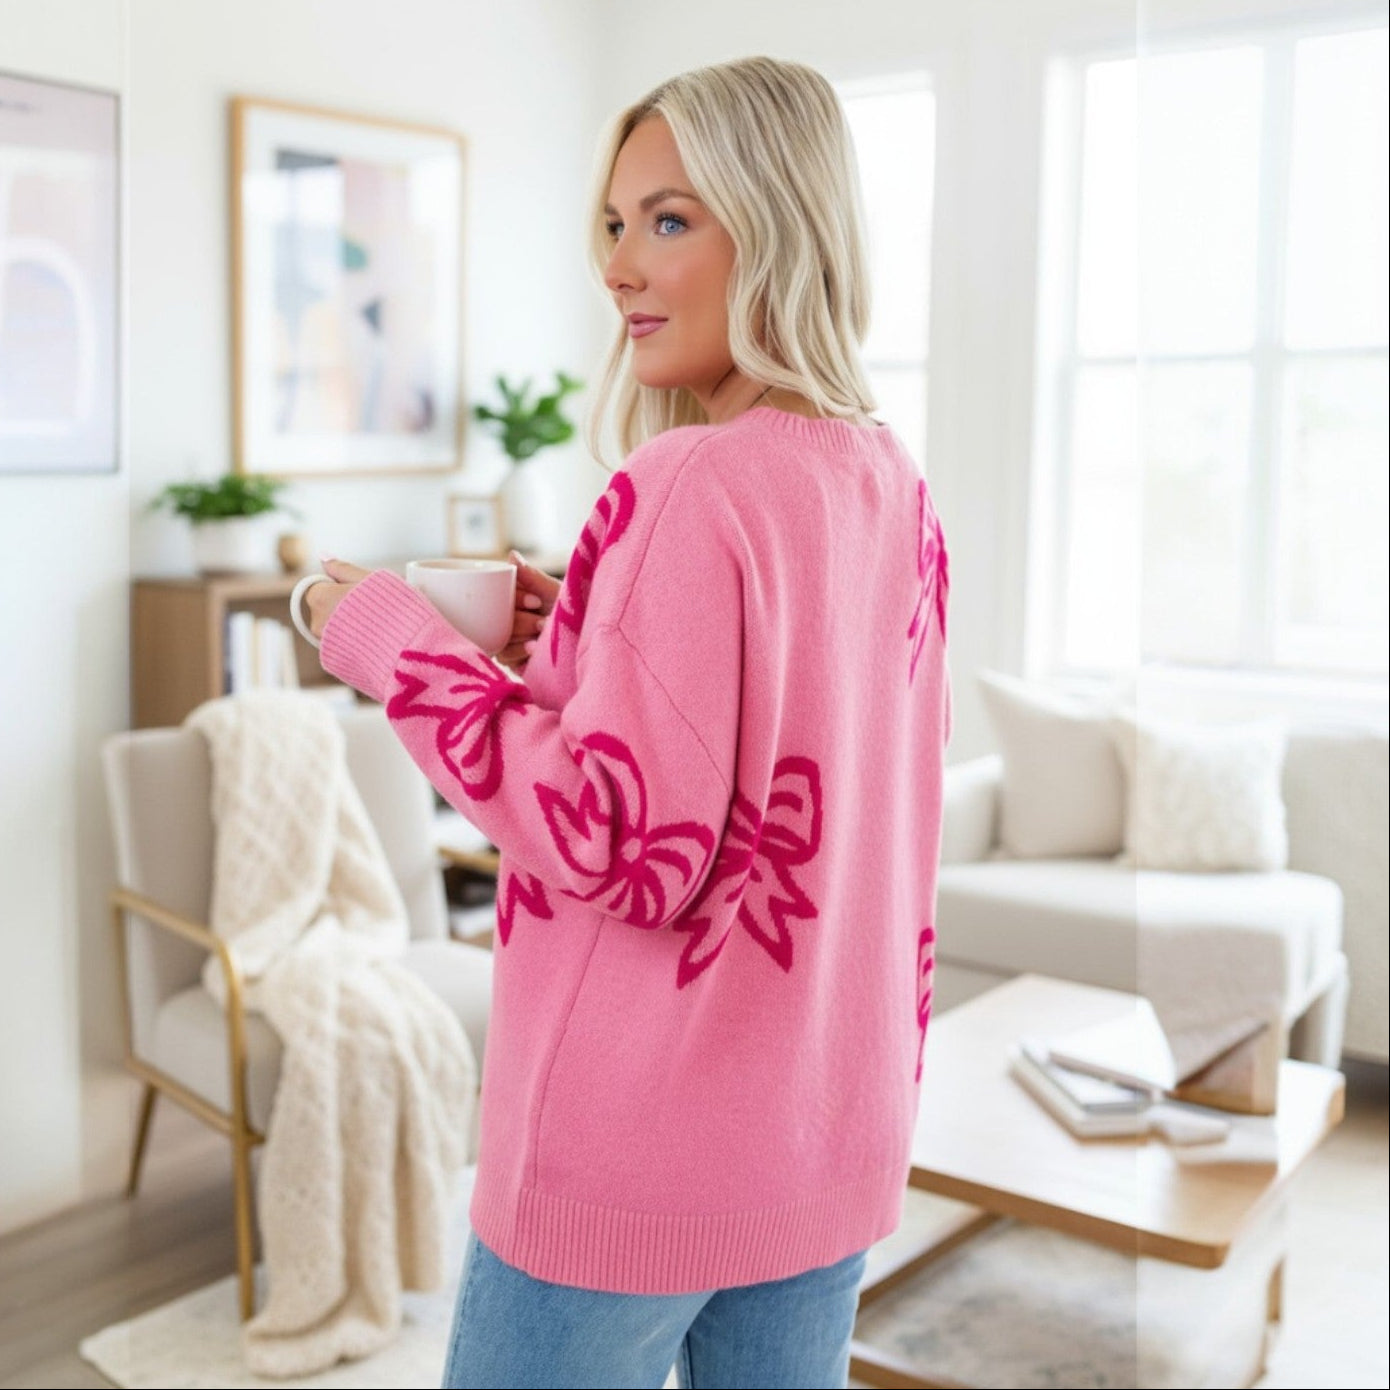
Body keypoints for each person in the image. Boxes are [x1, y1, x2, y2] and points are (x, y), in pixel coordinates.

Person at [304, 54, 951, 1390]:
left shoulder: (688, 482)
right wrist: (585, 652)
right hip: (828, 1129)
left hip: (634, 1152)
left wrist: (375, 632)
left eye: (669, 220)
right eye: (613, 224)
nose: (619, 266)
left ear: (777, 225)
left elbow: (615, 844)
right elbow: (810, 776)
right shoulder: (890, 481)